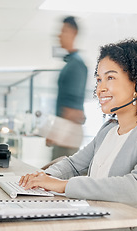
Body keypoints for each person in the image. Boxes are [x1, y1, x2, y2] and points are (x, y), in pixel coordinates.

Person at [20, 39, 137, 231]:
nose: (100, 88)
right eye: (98, 80)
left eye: (110, 78)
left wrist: (62, 185)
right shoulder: (109, 130)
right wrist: (41, 180)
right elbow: (73, 165)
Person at [47, 16, 88, 160]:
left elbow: (73, 111)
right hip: (65, 133)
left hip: (67, 134)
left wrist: (54, 132)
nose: (59, 35)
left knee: (57, 177)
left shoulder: (76, 65)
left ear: (74, 33)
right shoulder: (71, 63)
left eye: (64, 31)